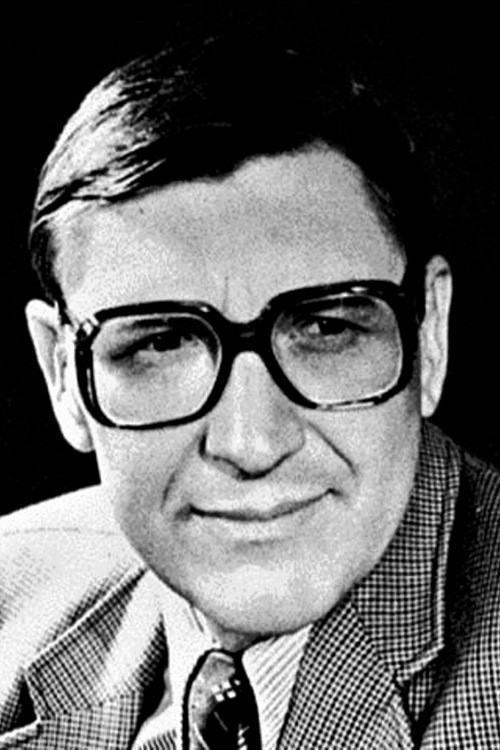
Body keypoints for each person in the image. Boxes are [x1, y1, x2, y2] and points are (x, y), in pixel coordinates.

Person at [0, 32, 498, 749]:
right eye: (161, 342)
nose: (251, 444)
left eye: (326, 328)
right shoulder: (13, 592)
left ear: (430, 334)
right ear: (62, 376)